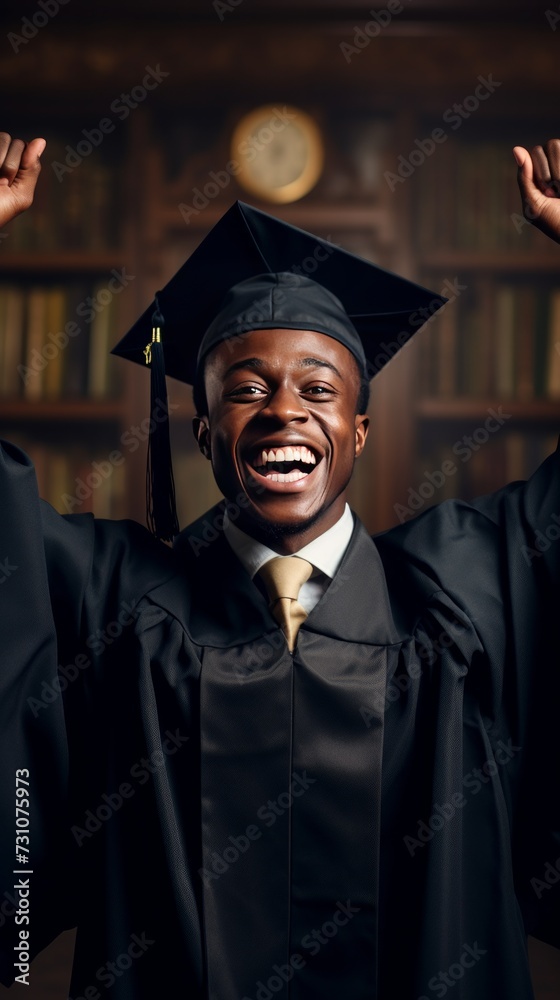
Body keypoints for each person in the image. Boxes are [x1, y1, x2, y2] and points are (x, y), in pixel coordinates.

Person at [0, 130, 559, 1000]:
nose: (282, 412)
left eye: (319, 389)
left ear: (360, 432)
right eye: (246, 390)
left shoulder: (458, 590)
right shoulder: (115, 595)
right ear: (203, 432)